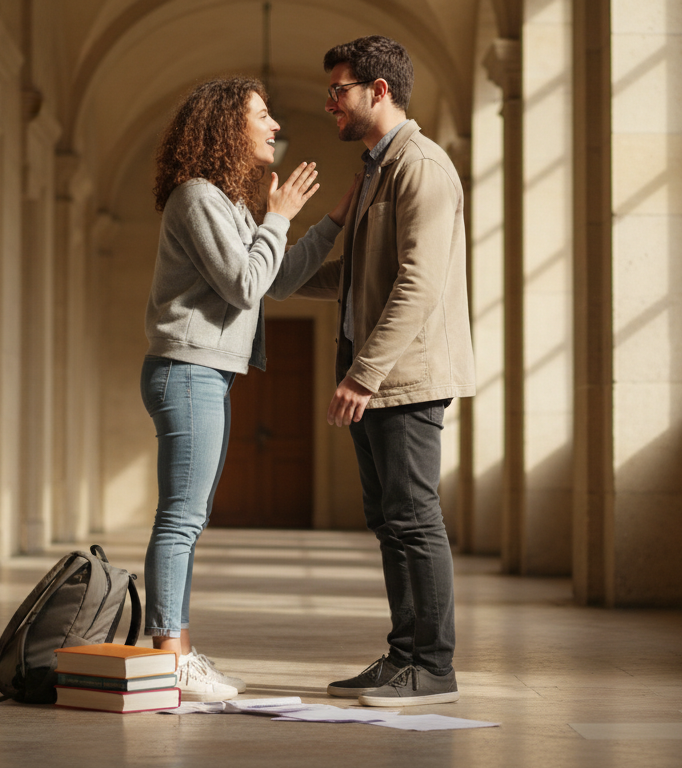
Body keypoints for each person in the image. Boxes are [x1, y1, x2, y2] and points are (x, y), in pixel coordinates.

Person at [143, 77, 357, 701]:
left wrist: (330, 221)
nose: (273, 127)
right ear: (226, 128)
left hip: (206, 372)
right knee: (181, 519)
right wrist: (278, 215)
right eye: (262, 116)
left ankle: (176, 650)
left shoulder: (227, 203)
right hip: (186, 371)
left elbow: (278, 280)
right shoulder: (195, 196)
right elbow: (243, 285)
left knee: (190, 517)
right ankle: (168, 658)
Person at [294, 36, 475, 706]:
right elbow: (363, 279)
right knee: (392, 519)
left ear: (378, 90)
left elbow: (418, 284)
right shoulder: (378, 167)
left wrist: (363, 374)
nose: (329, 103)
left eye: (338, 90)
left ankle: (431, 667)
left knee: (412, 517)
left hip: (405, 377)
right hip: (379, 375)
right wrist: (277, 280)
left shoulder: (419, 166)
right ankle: (405, 657)